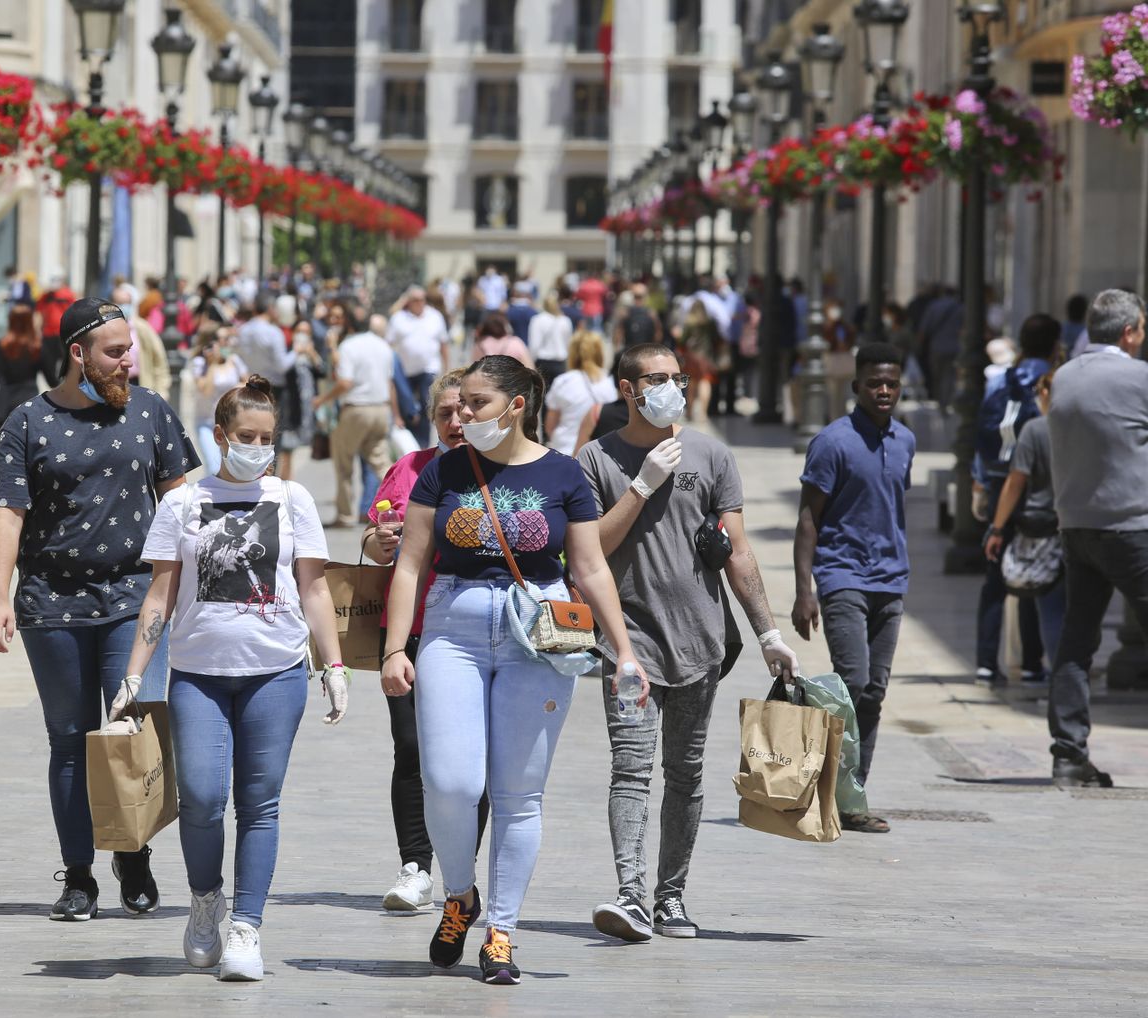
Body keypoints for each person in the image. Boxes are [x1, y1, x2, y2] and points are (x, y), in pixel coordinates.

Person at [380, 355, 646, 985]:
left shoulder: (563, 475)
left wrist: (624, 651)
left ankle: (501, 929)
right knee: (448, 781)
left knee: (519, 795)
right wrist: (395, 649)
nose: (462, 414)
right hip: (454, 629)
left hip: (540, 637)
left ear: (517, 404)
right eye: (460, 403)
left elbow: (589, 568)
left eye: (476, 403)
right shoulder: (443, 471)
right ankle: (459, 894)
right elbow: (412, 564)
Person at [0, 297, 200, 920]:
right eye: (114, 351)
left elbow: (181, 504)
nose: (128, 359)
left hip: (135, 599)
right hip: (51, 603)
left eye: (129, 348)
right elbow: (7, 514)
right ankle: (79, 875)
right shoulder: (27, 422)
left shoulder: (151, 412)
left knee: (134, 732)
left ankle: (132, 852)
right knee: (70, 740)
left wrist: (196, 586)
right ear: (77, 355)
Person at [121, 375, 346, 981]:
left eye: (267, 437)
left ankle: (246, 926)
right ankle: (204, 899)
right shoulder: (183, 503)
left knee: (260, 803)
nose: (258, 446)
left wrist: (335, 665)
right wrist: (134, 674)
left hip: (277, 671)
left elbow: (315, 587)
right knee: (199, 796)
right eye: (246, 436)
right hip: (198, 673)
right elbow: (159, 594)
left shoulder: (292, 499)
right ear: (219, 436)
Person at [577, 342, 797, 942]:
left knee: (687, 773)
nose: (671, 386)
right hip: (628, 645)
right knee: (630, 770)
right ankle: (630, 896)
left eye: (677, 377)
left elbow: (739, 551)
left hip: (702, 645)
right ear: (628, 390)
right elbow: (589, 548)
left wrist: (768, 634)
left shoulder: (712, 454)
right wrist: (642, 486)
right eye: (656, 378)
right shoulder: (596, 460)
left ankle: (670, 897)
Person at [362, 369, 481, 913]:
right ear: (430, 418)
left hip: (476, 636)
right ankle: (415, 866)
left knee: (470, 761)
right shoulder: (408, 470)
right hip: (409, 634)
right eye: (444, 414)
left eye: (465, 411)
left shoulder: (498, 472)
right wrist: (379, 542)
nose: (456, 422)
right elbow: (374, 536)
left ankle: (464, 872)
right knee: (411, 749)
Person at [792, 343, 915, 832]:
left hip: (892, 578)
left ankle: (850, 794)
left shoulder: (906, 439)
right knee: (854, 681)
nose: (883, 391)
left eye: (891, 383)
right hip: (842, 575)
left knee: (875, 691)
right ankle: (830, 786)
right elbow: (807, 519)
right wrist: (805, 588)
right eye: (874, 383)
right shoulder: (833, 442)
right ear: (856, 387)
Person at [1044, 289, 1148, 788]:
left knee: (1076, 643)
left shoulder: (1064, 376)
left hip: (1077, 527)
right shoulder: (1138, 377)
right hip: (1131, 526)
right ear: (1129, 332)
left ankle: (1068, 753)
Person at [972, 313, 1060, 688]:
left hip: (996, 483)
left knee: (996, 576)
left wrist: (979, 482)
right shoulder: (1052, 381)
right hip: (1037, 490)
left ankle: (986, 663)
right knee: (1035, 575)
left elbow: (981, 431)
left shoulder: (1002, 379)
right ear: (1056, 346)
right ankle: (1031, 663)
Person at [314, 305, 398, 526]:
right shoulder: (383, 345)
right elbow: (390, 382)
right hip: (381, 407)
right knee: (381, 463)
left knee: (343, 464)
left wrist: (323, 400)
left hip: (356, 408)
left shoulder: (348, 346)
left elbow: (345, 382)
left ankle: (345, 515)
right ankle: (404, 501)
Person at [386, 287, 450, 446]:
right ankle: (409, 443)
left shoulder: (435, 316)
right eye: (415, 299)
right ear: (408, 301)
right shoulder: (399, 318)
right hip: (404, 372)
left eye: (422, 299)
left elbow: (443, 344)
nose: (419, 303)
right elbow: (388, 344)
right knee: (407, 407)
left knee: (426, 405)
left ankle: (422, 445)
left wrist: (446, 369)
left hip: (428, 369)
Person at [543, 329, 616, 456]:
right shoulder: (610, 383)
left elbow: (550, 426)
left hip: (564, 450)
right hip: (598, 454)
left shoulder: (563, 382)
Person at [0, 301, 59, 427]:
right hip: (28, 402)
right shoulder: (37, 347)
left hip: (4, 403)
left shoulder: (0, 346)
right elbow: (52, 381)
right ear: (29, 322)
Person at [189, 325, 248, 471]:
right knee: (214, 467)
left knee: (232, 468)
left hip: (231, 423)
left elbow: (248, 384)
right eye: (224, 339)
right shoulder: (200, 363)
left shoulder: (234, 361)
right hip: (206, 424)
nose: (227, 343)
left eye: (229, 339)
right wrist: (212, 364)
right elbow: (206, 391)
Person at [277, 321, 322, 481]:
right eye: (299, 331)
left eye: (306, 332)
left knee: (293, 448)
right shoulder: (288, 351)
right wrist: (296, 352)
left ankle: (287, 481)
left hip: (307, 406)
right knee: (287, 447)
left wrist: (312, 354)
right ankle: (285, 481)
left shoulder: (311, 354)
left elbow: (322, 372)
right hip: (290, 405)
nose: (302, 335)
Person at [676, 301, 723, 422]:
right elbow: (716, 338)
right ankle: (703, 414)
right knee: (705, 383)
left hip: (691, 356)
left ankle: (690, 412)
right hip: (706, 356)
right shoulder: (709, 323)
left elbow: (682, 340)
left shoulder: (689, 323)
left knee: (691, 385)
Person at [527, 292, 574, 403]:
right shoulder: (565, 320)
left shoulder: (537, 319)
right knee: (559, 396)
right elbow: (568, 343)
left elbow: (534, 344)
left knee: (543, 396)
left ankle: (545, 420)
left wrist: (531, 361)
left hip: (543, 362)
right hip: (560, 362)